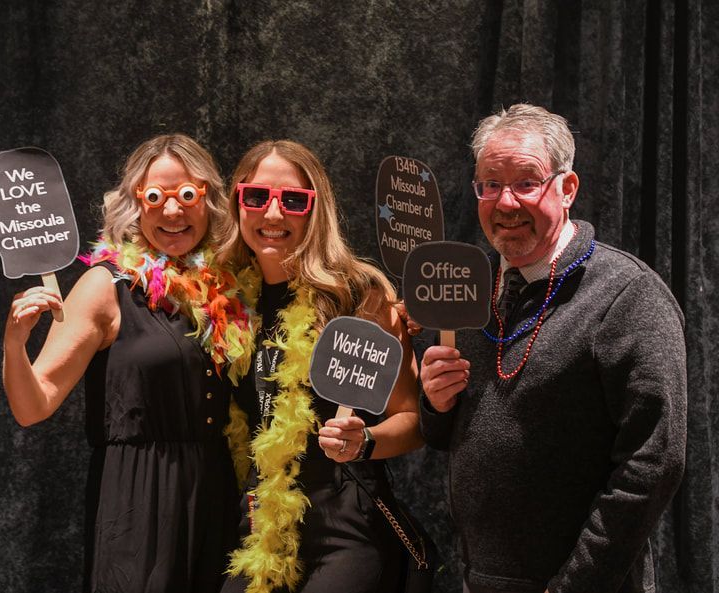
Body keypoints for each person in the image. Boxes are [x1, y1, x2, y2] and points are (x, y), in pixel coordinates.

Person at [419, 104, 687, 593]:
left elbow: (653, 463)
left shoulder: (628, 295)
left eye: (526, 182)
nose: (505, 203)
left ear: (567, 189)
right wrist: (436, 406)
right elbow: (449, 437)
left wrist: (574, 585)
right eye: (490, 184)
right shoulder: (471, 287)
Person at [3, 134, 259, 593]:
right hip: (139, 502)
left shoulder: (227, 289)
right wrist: (15, 343)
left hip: (217, 494)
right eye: (155, 197)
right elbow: (33, 405)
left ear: (209, 202)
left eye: (187, 195)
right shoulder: (104, 287)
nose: (173, 212)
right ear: (135, 205)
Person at [216, 140, 424, 593]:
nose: (273, 215)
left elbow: (412, 420)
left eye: (293, 200)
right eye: (257, 197)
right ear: (238, 201)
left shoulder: (360, 294)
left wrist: (364, 441)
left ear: (316, 209)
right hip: (262, 525)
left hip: (346, 522)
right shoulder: (228, 299)